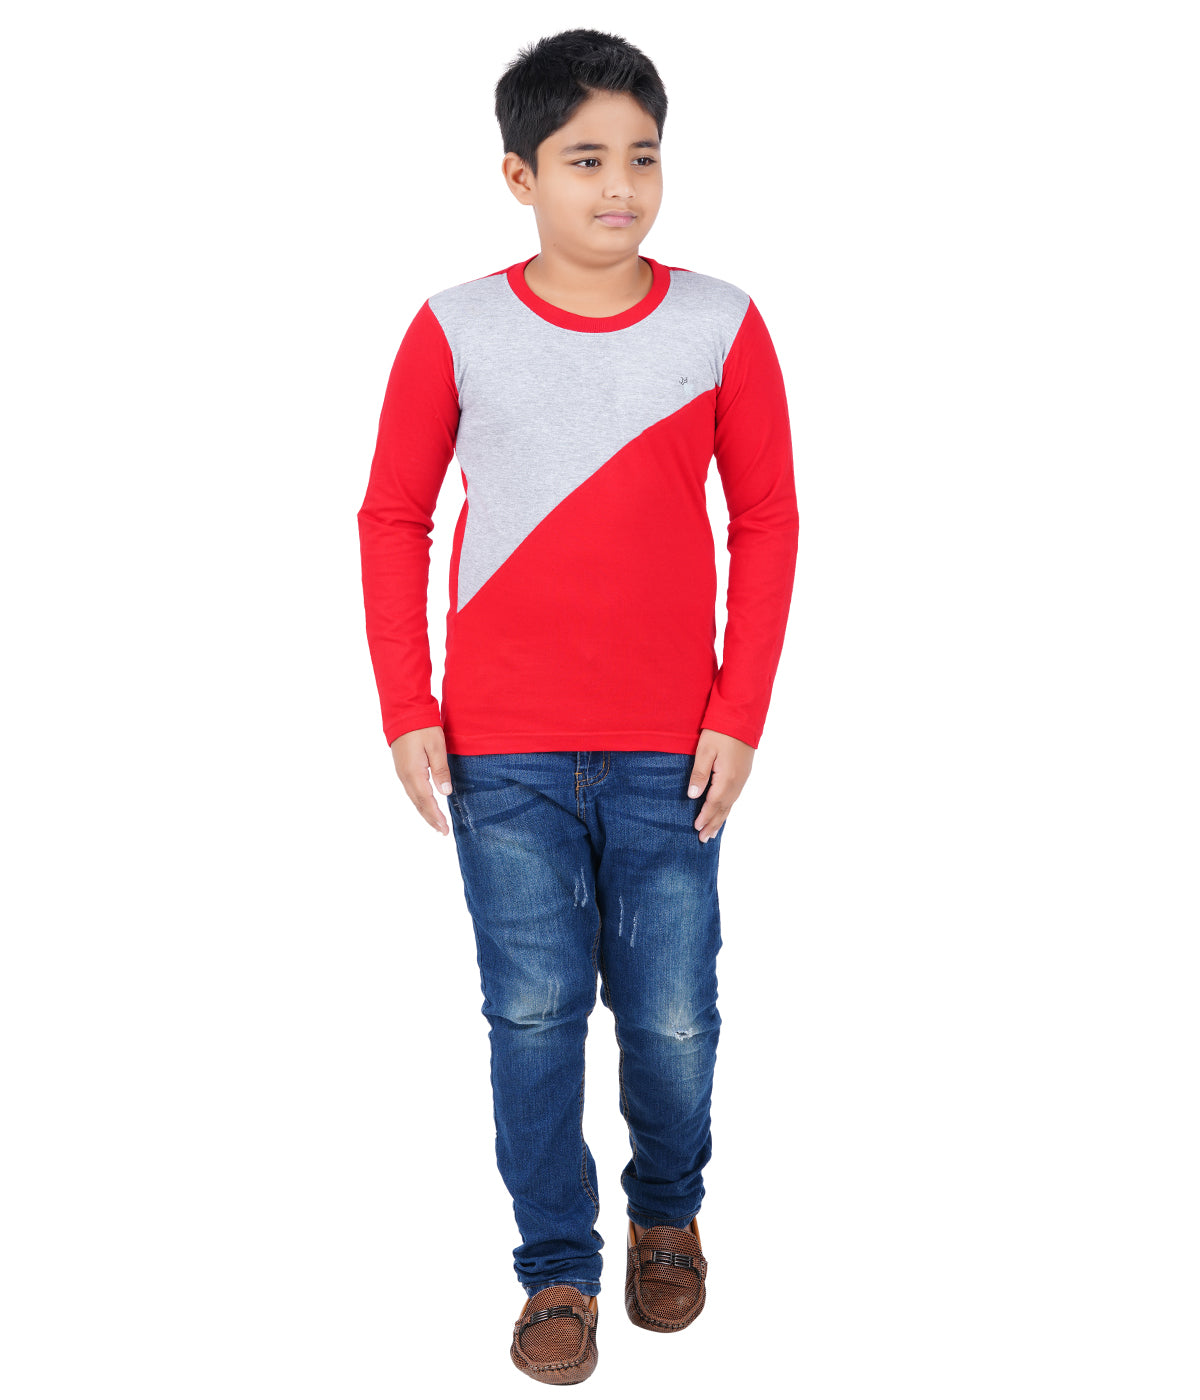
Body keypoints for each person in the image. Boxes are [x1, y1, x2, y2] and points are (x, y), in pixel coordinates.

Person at [357, 28, 798, 1385]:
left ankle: (668, 1215)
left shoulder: (721, 323)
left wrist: (738, 712)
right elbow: (392, 516)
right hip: (503, 748)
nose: (620, 187)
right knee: (535, 1013)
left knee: (672, 1015)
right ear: (520, 175)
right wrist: (408, 704)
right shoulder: (454, 327)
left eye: (643, 157)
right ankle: (557, 1270)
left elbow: (769, 521)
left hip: (674, 747)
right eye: (586, 159)